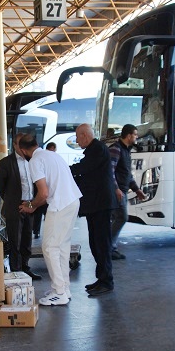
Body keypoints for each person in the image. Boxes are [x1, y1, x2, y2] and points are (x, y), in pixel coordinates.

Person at [17, 134, 82, 306]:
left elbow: (43, 193)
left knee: (49, 247)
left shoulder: (35, 161)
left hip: (60, 204)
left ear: (23, 150)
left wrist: (32, 205)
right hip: (73, 200)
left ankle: (58, 291)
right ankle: (64, 288)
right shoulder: (52, 155)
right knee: (62, 246)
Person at [70, 124, 118, 297]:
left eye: (77, 136)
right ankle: (102, 278)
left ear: (84, 135)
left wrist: (63, 171)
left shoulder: (97, 149)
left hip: (101, 205)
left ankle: (107, 281)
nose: (76, 140)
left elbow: (82, 168)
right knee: (95, 243)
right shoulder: (94, 150)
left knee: (101, 244)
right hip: (95, 205)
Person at [0, 133, 41, 281]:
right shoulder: (6, 163)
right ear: (15, 145)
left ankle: (26, 268)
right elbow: (1, 187)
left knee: (27, 239)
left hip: (30, 204)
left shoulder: (33, 160)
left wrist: (33, 203)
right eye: (21, 145)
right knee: (15, 240)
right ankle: (16, 271)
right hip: (15, 206)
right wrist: (12, 201)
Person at [109, 124, 147, 260]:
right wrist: (116, 188)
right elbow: (110, 171)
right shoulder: (116, 149)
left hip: (122, 191)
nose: (137, 137)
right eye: (135, 135)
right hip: (117, 192)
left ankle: (110, 247)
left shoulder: (126, 150)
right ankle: (109, 248)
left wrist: (137, 190)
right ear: (129, 135)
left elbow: (127, 174)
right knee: (122, 217)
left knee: (116, 218)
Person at [32, 142, 57, 239]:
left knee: (46, 213)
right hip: (43, 193)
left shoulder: (39, 159)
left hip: (44, 194)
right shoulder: (42, 160)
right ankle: (37, 231)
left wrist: (32, 205)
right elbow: (44, 192)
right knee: (40, 213)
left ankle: (45, 231)